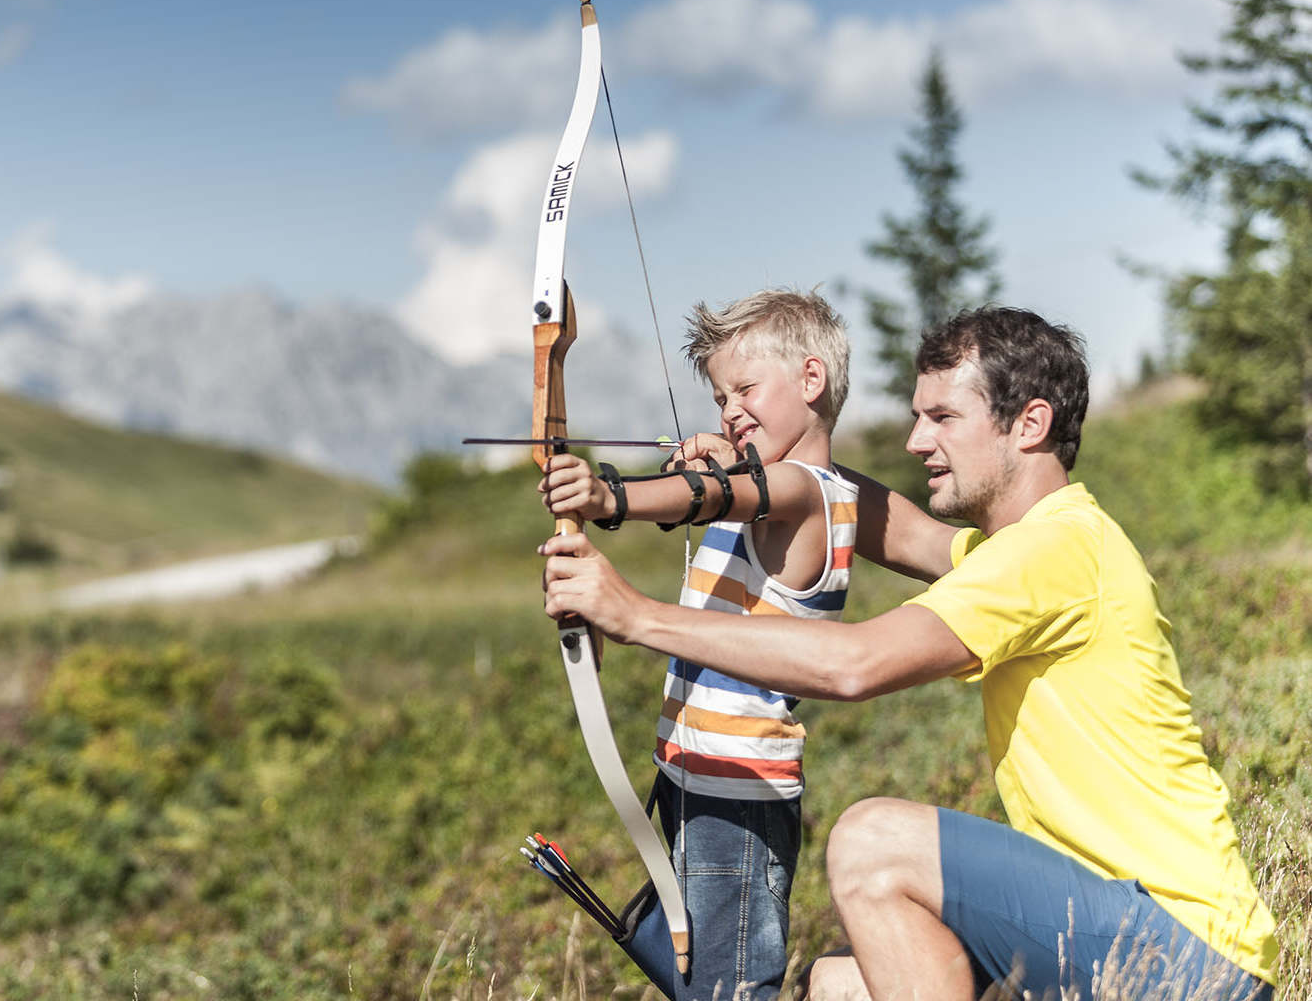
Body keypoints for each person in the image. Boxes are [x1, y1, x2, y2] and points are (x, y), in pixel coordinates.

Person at [540, 307, 1278, 1001]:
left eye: (944, 419)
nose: (916, 441)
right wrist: (744, 465)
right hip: (1122, 929)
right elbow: (857, 508)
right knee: (838, 987)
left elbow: (854, 664)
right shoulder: (1031, 545)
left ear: (1030, 424)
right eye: (918, 417)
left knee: (873, 843)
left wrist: (634, 614)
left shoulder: (1049, 554)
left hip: (1186, 957)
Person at [540, 288, 859, 1000]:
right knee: (705, 982)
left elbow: (715, 495)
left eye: (746, 388)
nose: (730, 410)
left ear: (812, 381)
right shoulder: (760, 490)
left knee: (730, 988)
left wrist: (608, 498)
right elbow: (729, 494)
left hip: (738, 793)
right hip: (695, 780)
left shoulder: (811, 491)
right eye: (720, 397)